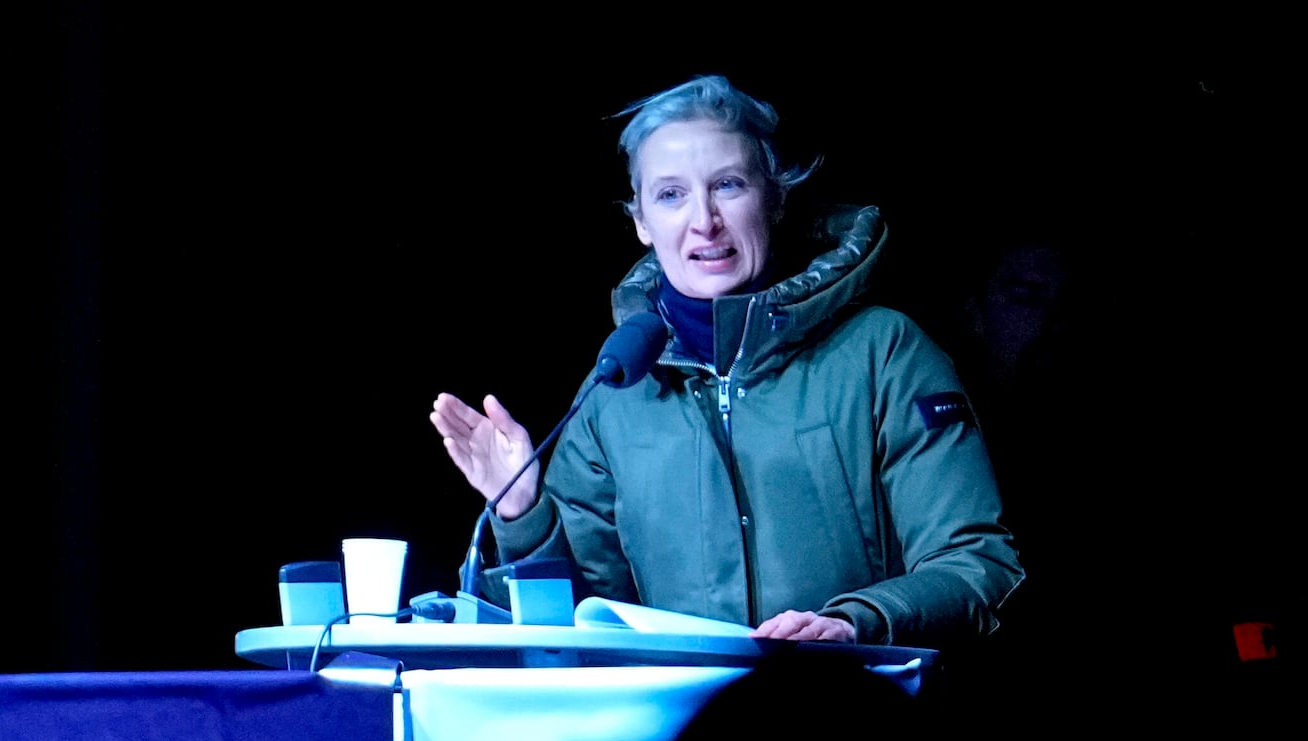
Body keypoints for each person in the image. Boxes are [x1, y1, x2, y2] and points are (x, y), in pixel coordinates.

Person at [429, 74, 1023, 650]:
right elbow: (581, 630)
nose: (704, 221)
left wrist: (857, 622)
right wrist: (522, 513)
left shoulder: (882, 351)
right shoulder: (616, 389)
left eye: (728, 185)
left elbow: (977, 565)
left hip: (857, 720)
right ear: (641, 222)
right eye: (670, 194)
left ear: (775, 198)